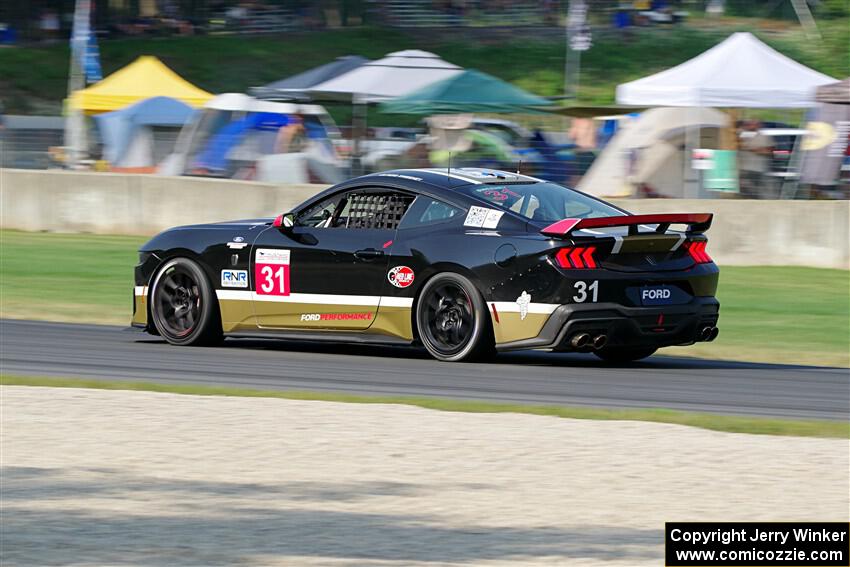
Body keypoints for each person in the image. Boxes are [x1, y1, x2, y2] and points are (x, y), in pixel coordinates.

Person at [738, 119, 773, 199]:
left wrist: (753, 149)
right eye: (749, 124)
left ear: (759, 125)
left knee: (757, 193)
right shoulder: (743, 135)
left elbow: (770, 151)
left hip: (758, 170)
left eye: (754, 124)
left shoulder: (764, 136)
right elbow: (737, 144)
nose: (751, 126)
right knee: (745, 192)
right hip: (744, 169)